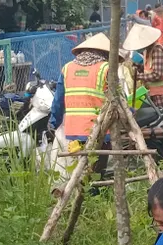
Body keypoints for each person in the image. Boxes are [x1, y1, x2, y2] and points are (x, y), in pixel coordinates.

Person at [49, 34, 132, 195]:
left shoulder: (67, 68)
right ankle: (92, 197)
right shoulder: (105, 69)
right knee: (96, 171)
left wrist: (53, 123)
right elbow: (119, 100)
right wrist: (130, 116)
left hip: (73, 132)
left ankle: (79, 196)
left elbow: (58, 101)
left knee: (78, 169)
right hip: (99, 130)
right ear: (105, 53)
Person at [123, 24, 163, 109]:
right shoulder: (146, 51)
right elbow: (148, 70)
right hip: (154, 93)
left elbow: (157, 75)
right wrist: (138, 67)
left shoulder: (157, 50)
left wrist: (138, 76)